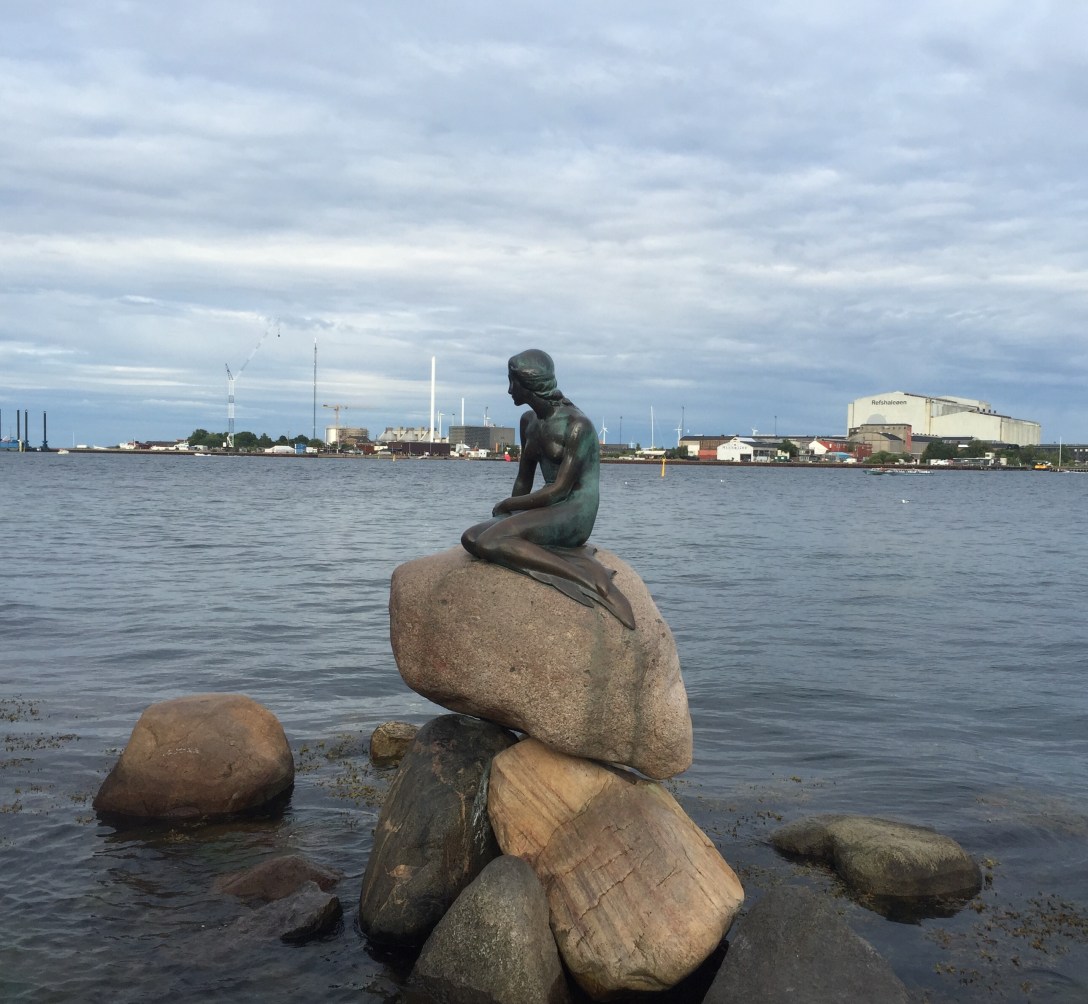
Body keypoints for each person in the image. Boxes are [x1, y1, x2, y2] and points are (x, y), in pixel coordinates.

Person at [461, 349, 635, 629]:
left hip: (574, 509)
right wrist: (506, 517)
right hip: (547, 505)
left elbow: (560, 489)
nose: (509, 390)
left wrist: (508, 506)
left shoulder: (577, 425)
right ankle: (546, 555)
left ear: (530, 383)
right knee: (471, 538)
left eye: (513, 382)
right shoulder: (528, 422)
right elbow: (523, 479)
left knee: (490, 542)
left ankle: (588, 578)